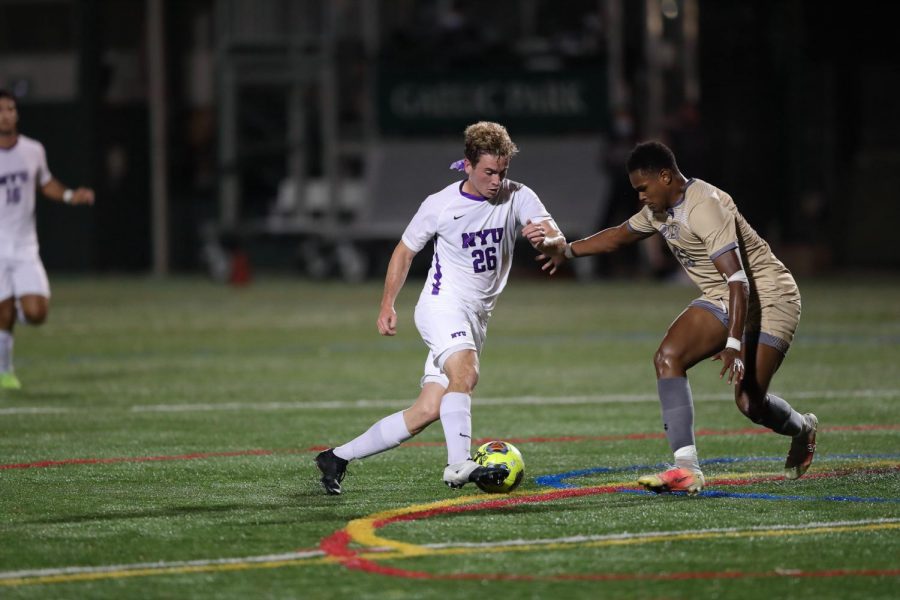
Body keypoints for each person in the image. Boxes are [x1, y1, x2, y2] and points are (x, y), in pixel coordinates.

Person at [523, 141, 817, 494]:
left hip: (771, 298)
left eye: (643, 189)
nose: (641, 197)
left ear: (665, 177)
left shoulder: (704, 206)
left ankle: (803, 428)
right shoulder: (659, 210)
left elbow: (739, 280)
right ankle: (686, 468)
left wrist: (733, 343)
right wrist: (566, 251)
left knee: (750, 404)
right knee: (668, 356)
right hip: (723, 297)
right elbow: (619, 236)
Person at [315, 121, 566, 495]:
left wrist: (548, 240)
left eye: (502, 171)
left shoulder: (518, 195)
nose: (496, 180)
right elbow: (404, 251)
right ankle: (457, 465)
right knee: (465, 372)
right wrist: (387, 304)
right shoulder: (440, 204)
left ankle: (336, 457)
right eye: (488, 172)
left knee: (427, 410)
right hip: (441, 306)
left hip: (476, 317)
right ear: (467, 165)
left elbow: (556, 237)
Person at [0, 89, 95, 390]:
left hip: (26, 246)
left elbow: (45, 182)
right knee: (3, 313)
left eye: (10, 109)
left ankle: (9, 309)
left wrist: (70, 195)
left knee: (37, 313)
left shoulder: (33, 150)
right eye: (0, 110)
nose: (6, 115)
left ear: (17, 113)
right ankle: (4, 372)